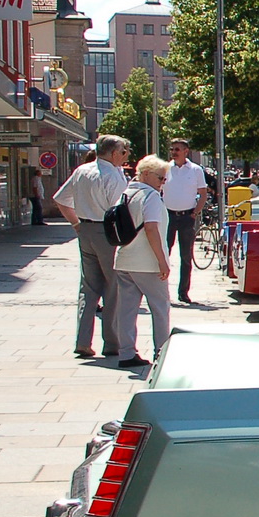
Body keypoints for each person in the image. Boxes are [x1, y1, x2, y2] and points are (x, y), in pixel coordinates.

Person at [52, 134, 130, 359]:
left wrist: (76, 223)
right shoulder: (113, 176)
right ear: (114, 153)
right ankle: (112, 342)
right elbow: (120, 210)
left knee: (88, 287)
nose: (125, 156)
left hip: (86, 230)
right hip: (108, 233)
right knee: (113, 287)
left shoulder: (82, 171)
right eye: (124, 152)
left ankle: (83, 340)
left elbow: (60, 199)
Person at [110, 155, 172, 370]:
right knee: (160, 308)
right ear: (145, 173)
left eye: (164, 179)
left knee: (126, 310)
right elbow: (151, 228)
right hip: (147, 263)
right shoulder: (151, 197)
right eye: (160, 177)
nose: (162, 182)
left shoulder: (125, 194)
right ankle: (162, 351)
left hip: (125, 259)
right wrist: (162, 261)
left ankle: (126, 353)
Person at [161, 139, 210, 305]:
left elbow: (203, 193)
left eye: (177, 149)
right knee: (163, 254)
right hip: (168, 216)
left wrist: (195, 212)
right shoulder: (165, 169)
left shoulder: (195, 170)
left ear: (186, 151)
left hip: (186, 217)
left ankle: (183, 292)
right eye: (172, 149)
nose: (174, 152)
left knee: (186, 256)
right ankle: (161, 292)